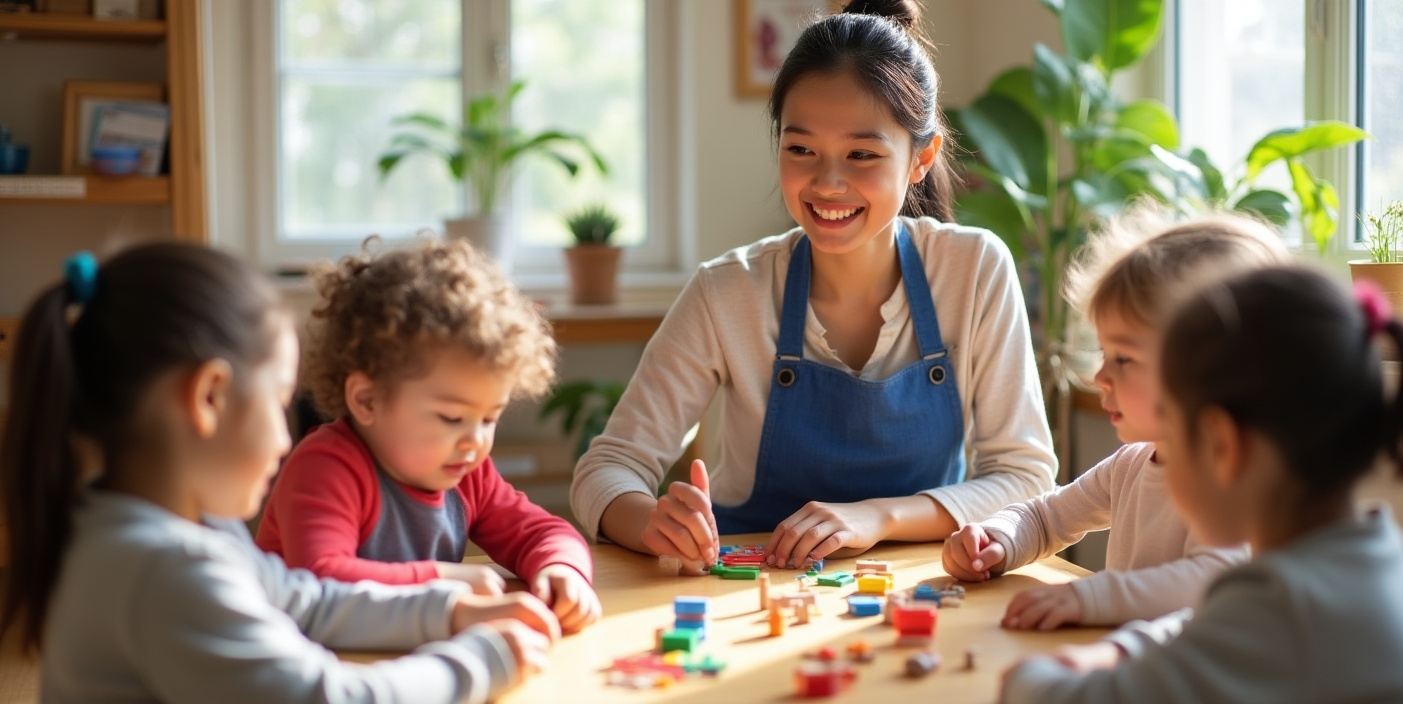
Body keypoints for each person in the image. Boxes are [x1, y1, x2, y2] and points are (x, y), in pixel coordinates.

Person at [570, 0, 1056, 571]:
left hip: (920, 588)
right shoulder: (727, 292)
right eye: (800, 149)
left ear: (921, 158)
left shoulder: (974, 271)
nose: (828, 184)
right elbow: (606, 469)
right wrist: (651, 521)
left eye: (862, 154)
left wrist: (877, 518)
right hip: (748, 589)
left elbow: (1025, 479)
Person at [0, 244, 560, 703]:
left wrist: (450, 610)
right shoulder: (165, 569)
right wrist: (485, 658)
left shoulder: (165, 526)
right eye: (277, 402)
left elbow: (305, 599)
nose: (285, 438)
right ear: (210, 398)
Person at [1000, 266, 1403, 702]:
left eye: (1171, 428)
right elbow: (1216, 626)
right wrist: (1123, 649)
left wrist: (1027, 677)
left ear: (1221, 445)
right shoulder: (1371, 557)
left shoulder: (1285, 609)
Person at [942, 210, 1287, 629]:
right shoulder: (1130, 466)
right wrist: (996, 538)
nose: (1099, 376)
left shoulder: (1232, 480)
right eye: (1105, 354)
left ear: (1213, 368)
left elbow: (1208, 580)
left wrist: (1088, 596)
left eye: (1123, 358)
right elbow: (1045, 518)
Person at [256, 239, 600, 634]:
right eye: (452, 417)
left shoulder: (467, 471)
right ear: (367, 399)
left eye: (489, 418)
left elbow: (544, 531)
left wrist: (562, 568)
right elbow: (319, 581)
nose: (475, 440)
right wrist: (444, 578)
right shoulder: (325, 468)